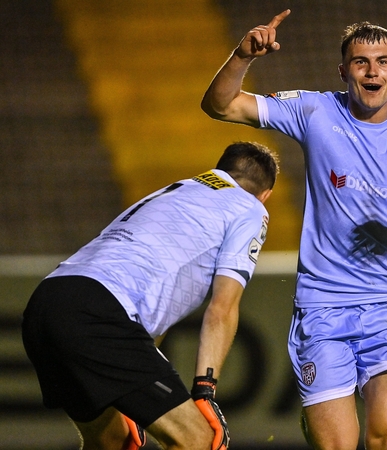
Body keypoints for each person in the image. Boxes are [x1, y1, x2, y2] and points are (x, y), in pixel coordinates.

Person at [201, 9, 387, 450]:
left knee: (386, 438)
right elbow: (220, 105)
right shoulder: (316, 109)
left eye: (382, 62)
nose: (372, 71)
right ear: (344, 71)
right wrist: (243, 57)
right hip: (321, 308)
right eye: (361, 62)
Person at [22, 141, 279, 450]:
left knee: (112, 440)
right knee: (198, 439)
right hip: (98, 313)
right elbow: (223, 307)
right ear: (266, 195)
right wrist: (205, 389)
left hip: (47, 302)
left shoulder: (178, 190)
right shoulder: (250, 208)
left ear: (220, 170)